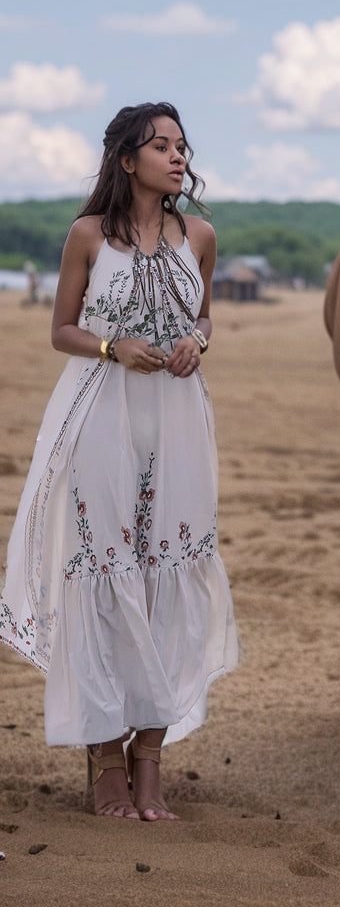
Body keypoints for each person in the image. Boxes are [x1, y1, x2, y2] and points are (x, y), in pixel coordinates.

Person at [0, 102, 239, 821]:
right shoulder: (86, 237)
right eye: (160, 145)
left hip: (179, 421)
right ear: (126, 160)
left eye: (181, 145)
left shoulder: (200, 234)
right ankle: (104, 756)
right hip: (99, 413)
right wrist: (112, 346)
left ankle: (150, 759)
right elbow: (62, 330)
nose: (176, 156)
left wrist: (200, 339)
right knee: (104, 570)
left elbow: (203, 316)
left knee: (170, 573)